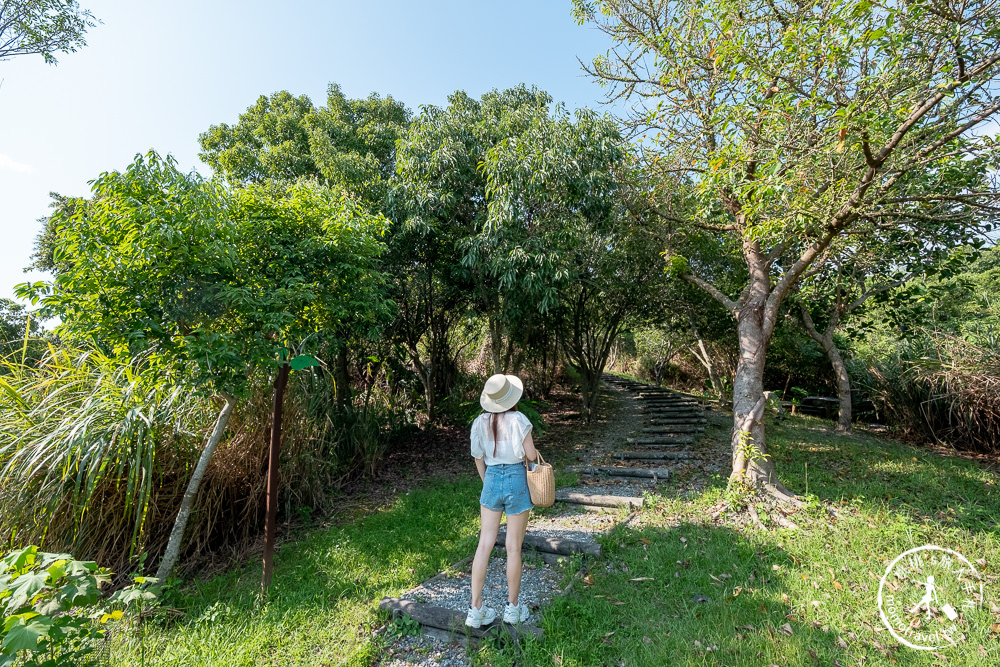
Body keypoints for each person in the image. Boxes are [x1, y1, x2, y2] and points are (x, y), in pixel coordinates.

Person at [466, 373, 538, 628]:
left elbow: (478, 458)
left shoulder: (479, 422)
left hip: (492, 476)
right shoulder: (519, 419)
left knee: (484, 544)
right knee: (513, 547)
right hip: (517, 478)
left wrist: (488, 482)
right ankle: (513, 608)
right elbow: (530, 455)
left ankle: (476, 609)